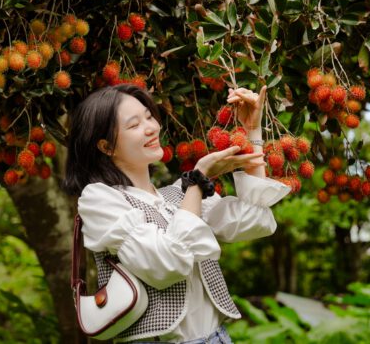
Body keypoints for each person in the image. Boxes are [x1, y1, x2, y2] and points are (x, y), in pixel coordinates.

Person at [64, 84, 291, 343]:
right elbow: (167, 265)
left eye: (149, 117)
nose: (151, 127)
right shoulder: (100, 200)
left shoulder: (177, 196)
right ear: (107, 147)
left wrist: (252, 131)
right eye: (134, 125)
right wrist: (198, 180)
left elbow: (255, 220)